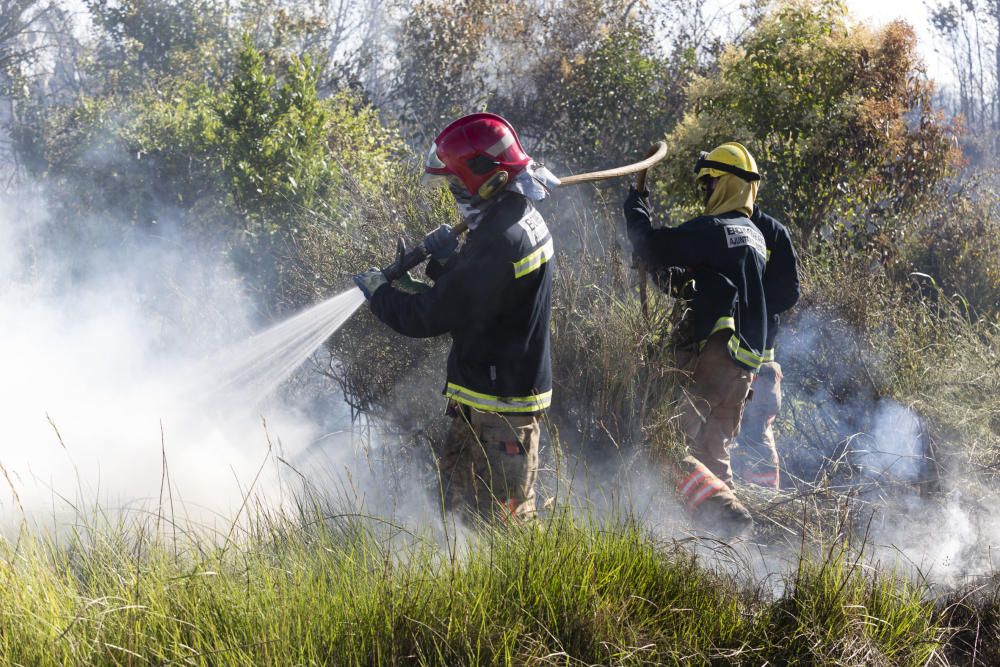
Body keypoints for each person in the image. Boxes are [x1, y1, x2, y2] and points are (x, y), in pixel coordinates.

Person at [353, 113, 557, 525]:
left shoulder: (499, 242)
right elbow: (484, 298)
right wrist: (447, 262)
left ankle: (525, 589)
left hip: (502, 408)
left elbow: (427, 317)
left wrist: (381, 294)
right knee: (458, 509)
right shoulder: (516, 216)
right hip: (489, 394)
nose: (453, 193)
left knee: (505, 524)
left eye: (454, 183)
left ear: (487, 180)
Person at [624, 141, 768, 536]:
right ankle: (724, 554)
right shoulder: (754, 238)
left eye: (708, 185)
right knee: (714, 455)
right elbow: (703, 284)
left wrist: (636, 206)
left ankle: (723, 512)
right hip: (742, 371)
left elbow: (652, 243)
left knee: (665, 440)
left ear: (724, 185)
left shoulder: (715, 230)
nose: (705, 194)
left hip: (712, 357)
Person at [731, 206, 800, 489]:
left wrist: (752, 304)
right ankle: (734, 495)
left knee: (756, 432)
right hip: (723, 352)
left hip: (758, 360)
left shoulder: (773, 232)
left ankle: (763, 503)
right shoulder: (717, 225)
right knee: (724, 431)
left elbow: (789, 291)